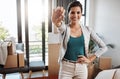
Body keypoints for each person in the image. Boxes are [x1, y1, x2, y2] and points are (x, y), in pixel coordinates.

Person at [51, 1, 108, 79]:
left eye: (78, 12)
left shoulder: (88, 30)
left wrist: (90, 59)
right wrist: (56, 22)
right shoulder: (65, 28)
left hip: (81, 68)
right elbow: (60, 26)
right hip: (66, 68)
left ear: (81, 14)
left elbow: (104, 47)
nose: (75, 15)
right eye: (72, 12)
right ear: (68, 14)